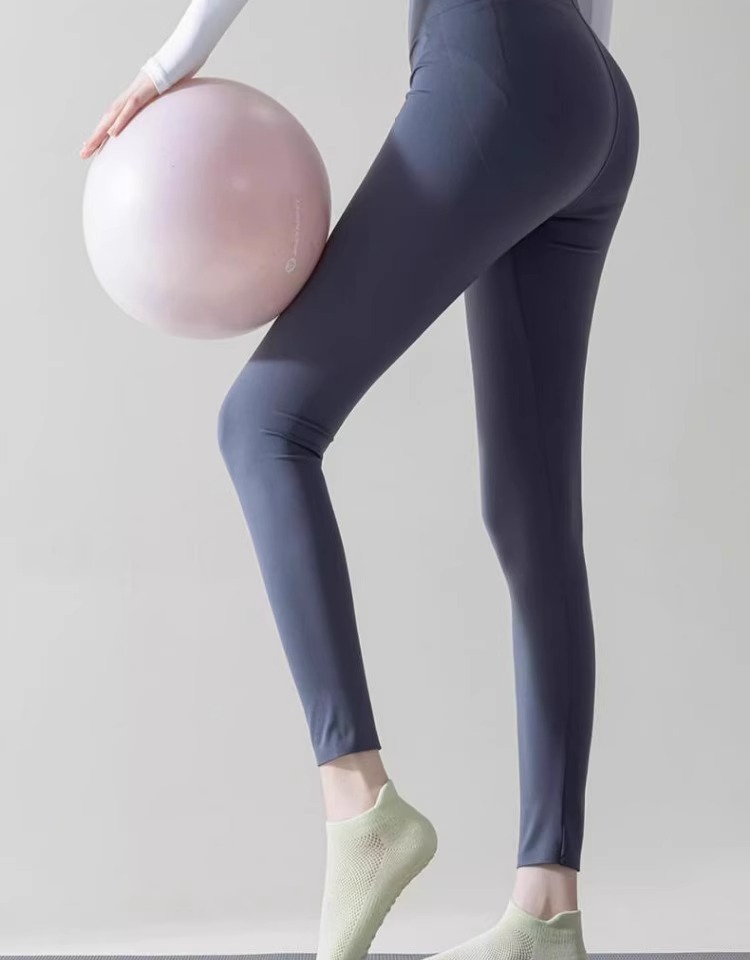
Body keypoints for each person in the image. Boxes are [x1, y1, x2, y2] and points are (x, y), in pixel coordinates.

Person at [81, 2, 638, 959]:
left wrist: (172, 60)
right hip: (592, 93)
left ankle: (358, 803)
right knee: (534, 514)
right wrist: (563, 77)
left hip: (496, 52)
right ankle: (547, 913)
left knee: (262, 426)